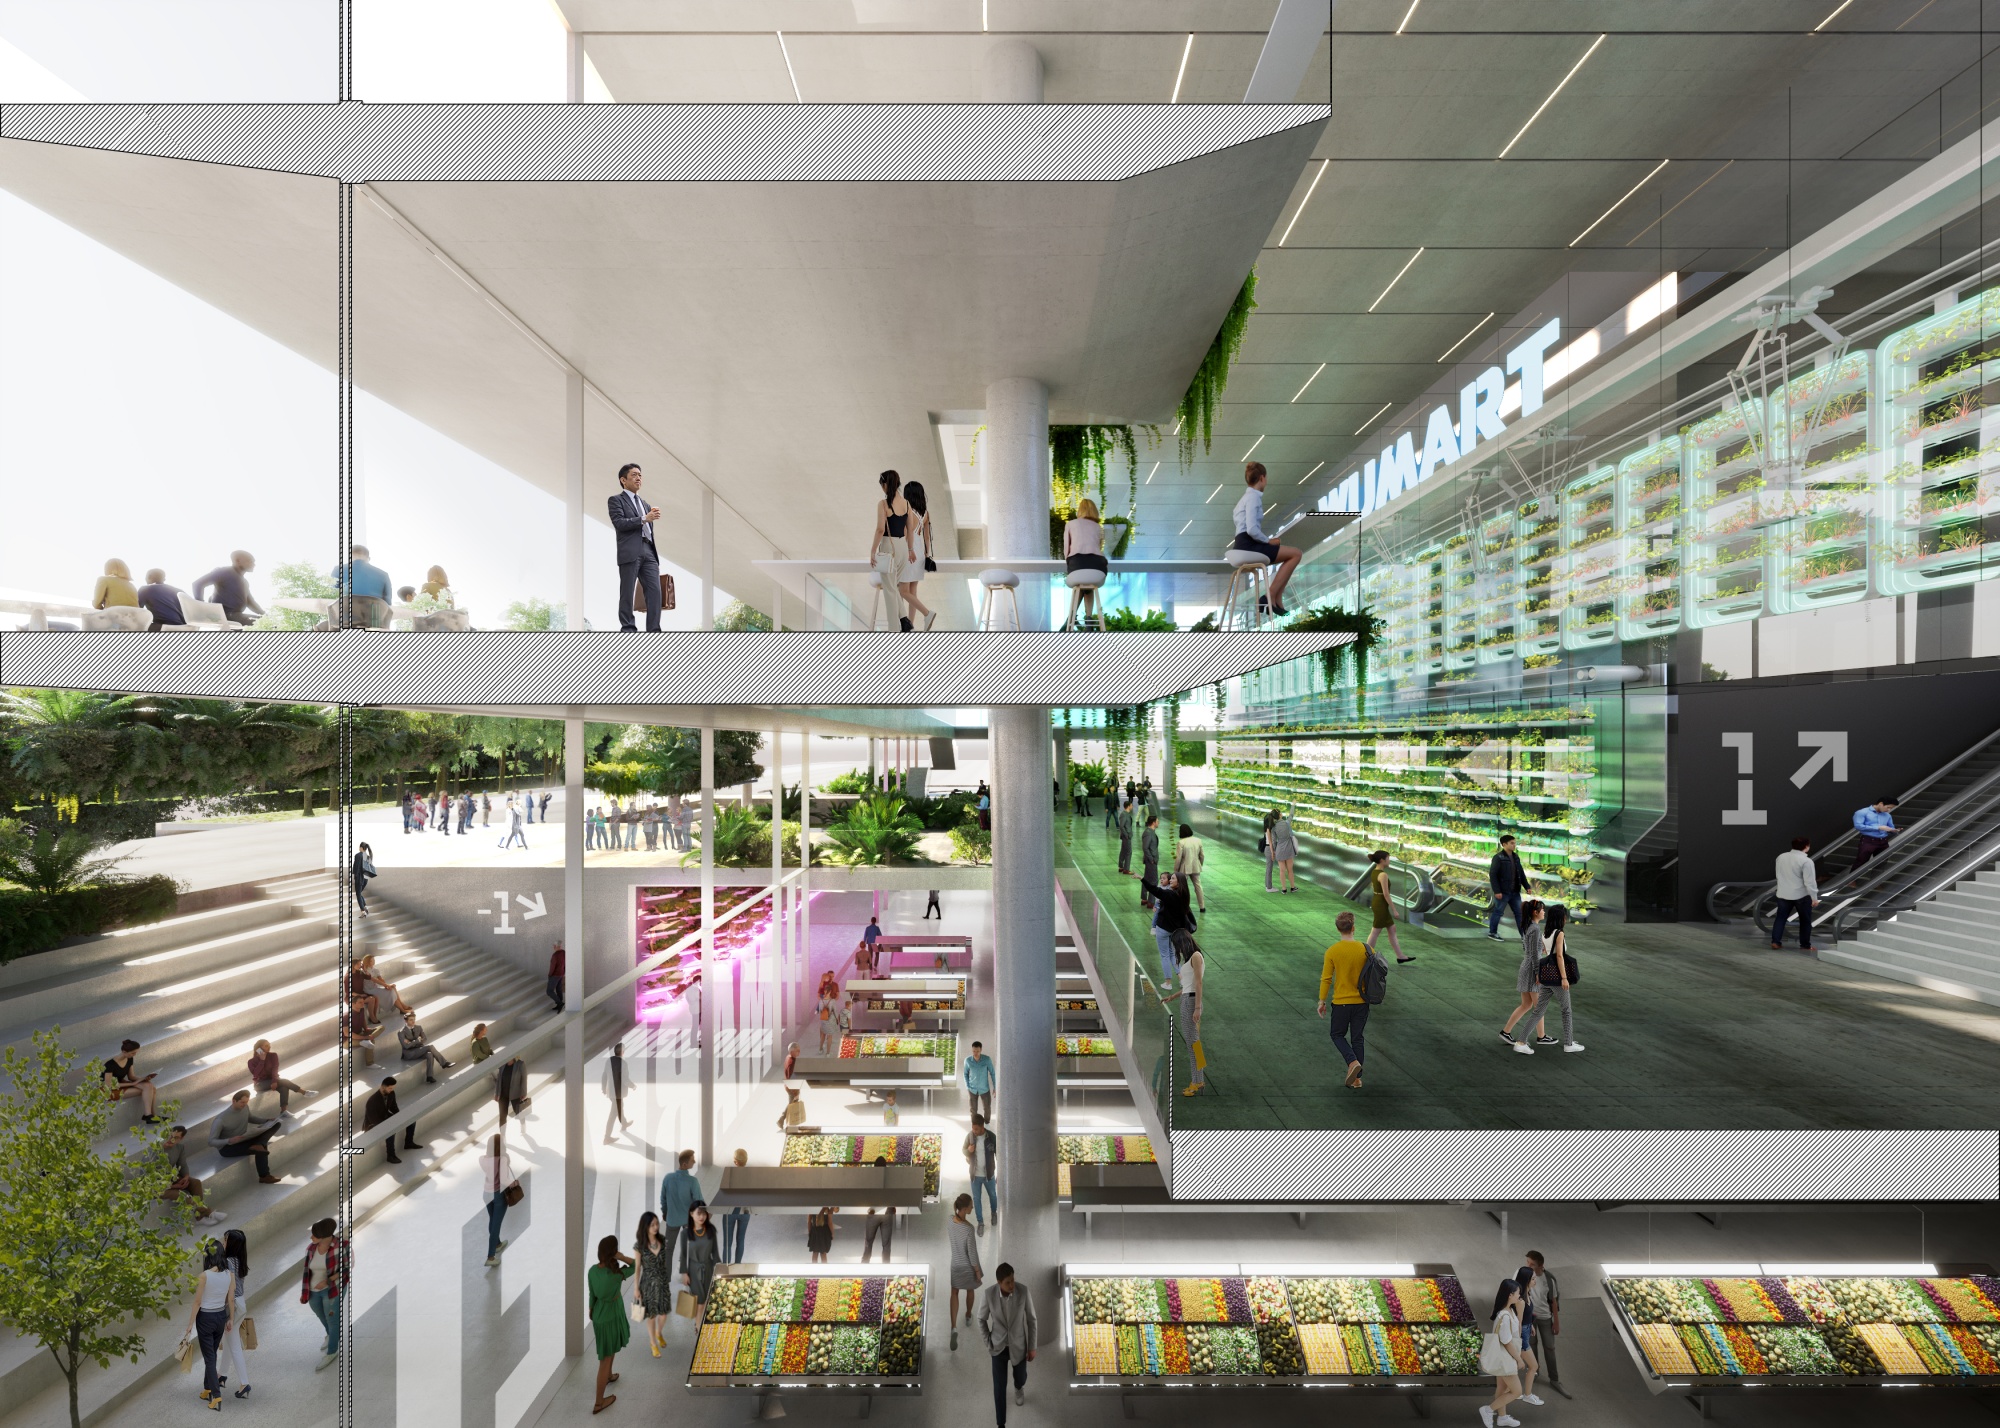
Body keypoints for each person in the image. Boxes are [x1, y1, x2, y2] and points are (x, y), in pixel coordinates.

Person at [1232, 461, 1304, 614]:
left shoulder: (1243, 499)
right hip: (1249, 545)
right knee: (1296, 553)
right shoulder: (1253, 498)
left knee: (1290, 554)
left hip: (1241, 544)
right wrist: (1268, 540)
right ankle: (1270, 595)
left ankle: (1276, 598)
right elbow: (1251, 529)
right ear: (1263, 478)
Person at [1316, 910, 1373, 1088]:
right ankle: (1357, 1079)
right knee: (1357, 1038)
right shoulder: (1366, 949)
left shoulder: (1332, 951)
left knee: (1337, 1034)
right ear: (1353, 928)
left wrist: (1321, 1001)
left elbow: (1326, 978)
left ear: (1338, 929)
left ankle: (1352, 1063)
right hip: (1362, 1003)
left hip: (1341, 1003)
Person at [979, 1262, 1038, 1428]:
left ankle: (1019, 1387)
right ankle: (1001, 1424)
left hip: (1018, 1345)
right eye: (1007, 1282)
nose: (1012, 1285)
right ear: (999, 1282)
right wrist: (988, 1342)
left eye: (1013, 1280)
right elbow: (981, 1319)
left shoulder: (1023, 1291)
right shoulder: (988, 1294)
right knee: (999, 1388)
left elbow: (1032, 1320)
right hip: (997, 1347)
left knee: (1021, 1377)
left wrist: (1032, 1346)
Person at [609, 461, 665, 632]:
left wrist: (649, 516)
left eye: (640, 475)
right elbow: (619, 523)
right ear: (623, 480)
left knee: (655, 592)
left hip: (649, 550)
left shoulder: (645, 504)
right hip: (630, 551)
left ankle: (654, 630)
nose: (638, 478)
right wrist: (644, 519)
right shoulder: (616, 500)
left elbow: (648, 525)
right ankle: (628, 629)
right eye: (634, 474)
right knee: (627, 591)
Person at [1524, 904, 1584, 1054]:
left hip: (1547, 977)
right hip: (1557, 978)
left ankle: (1521, 1040)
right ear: (1561, 918)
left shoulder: (1545, 933)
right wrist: (1564, 978)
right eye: (1564, 916)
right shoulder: (1560, 933)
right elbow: (1559, 956)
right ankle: (1569, 1044)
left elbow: (1546, 952)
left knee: (1538, 1011)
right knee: (1566, 1010)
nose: (1566, 918)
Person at [588, 1234, 638, 1413]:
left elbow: (592, 1295)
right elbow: (638, 1265)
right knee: (605, 1358)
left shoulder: (592, 1271)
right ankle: (599, 1402)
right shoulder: (617, 1274)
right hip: (612, 1315)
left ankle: (609, 1375)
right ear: (613, 1253)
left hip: (600, 1314)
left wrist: (591, 1310)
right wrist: (622, 1257)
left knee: (609, 1349)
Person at [868, 468, 919, 630]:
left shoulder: (883, 504)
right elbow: (910, 529)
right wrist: (911, 550)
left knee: (889, 592)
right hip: (903, 548)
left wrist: (872, 551)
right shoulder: (906, 504)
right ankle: (905, 621)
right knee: (892, 586)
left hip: (888, 548)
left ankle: (894, 630)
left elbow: (880, 530)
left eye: (881, 485)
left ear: (885, 485)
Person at [187, 1244, 237, 1409]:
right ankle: (207, 1388)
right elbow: (230, 1300)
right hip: (221, 1317)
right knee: (212, 1354)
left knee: (209, 1358)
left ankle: (216, 1395)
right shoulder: (230, 1274)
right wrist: (231, 1319)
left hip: (206, 1318)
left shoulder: (204, 1276)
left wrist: (189, 1326)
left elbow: (197, 1302)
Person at [1500, 901, 1554, 1051]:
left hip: (1526, 967)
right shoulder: (1535, 929)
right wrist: (1538, 972)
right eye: (1542, 910)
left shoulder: (1528, 927)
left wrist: (1539, 949)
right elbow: (1533, 955)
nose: (1544, 912)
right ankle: (1541, 1036)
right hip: (1531, 970)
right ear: (1535, 912)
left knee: (1526, 1005)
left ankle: (1506, 1032)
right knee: (1538, 1006)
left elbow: (1528, 949)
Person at [300, 1217, 348, 1372]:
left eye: (314, 1235)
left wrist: (328, 1281)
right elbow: (307, 1271)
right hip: (313, 1290)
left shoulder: (342, 1247)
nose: (311, 1238)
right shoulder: (311, 1248)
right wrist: (306, 1290)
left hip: (332, 1289)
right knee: (320, 1314)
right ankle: (330, 1335)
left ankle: (332, 1351)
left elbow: (346, 1270)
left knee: (333, 1319)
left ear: (324, 1236)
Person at [1480, 1279, 1528, 1428]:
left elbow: (1517, 1333)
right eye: (1518, 1293)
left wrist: (1520, 1311)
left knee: (1502, 1389)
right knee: (1517, 1391)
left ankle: (1502, 1418)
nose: (1520, 1295)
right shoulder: (1504, 1316)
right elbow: (1507, 1341)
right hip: (1507, 1356)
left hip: (1505, 1356)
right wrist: (1519, 1359)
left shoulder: (1510, 1311)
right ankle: (1488, 1410)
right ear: (1510, 1295)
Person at [1164, 930, 1206, 1096]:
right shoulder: (1192, 957)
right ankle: (1197, 1080)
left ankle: (1198, 1081)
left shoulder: (1195, 956)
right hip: (1188, 999)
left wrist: (1196, 1008)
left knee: (1193, 1044)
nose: (1177, 949)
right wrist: (1173, 997)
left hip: (1191, 1002)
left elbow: (1198, 983)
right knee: (1193, 1043)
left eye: (1177, 945)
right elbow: (1189, 984)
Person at [207, 1088, 282, 1183]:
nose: (245, 1104)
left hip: (244, 1138)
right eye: (242, 1102)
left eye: (246, 1102)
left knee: (276, 1124)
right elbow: (211, 1141)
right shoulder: (220, 1120)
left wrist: (266, 1121)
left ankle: (258, 1144)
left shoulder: (245, 1107)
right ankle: (264, 1176)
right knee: (262, 1147)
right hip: (227, 1148)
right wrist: (229, 1140)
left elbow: (250, 1118)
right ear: (234, 1101)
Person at [159, 1124, 224, 1227]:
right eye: (170, 1136)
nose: (171, 1139)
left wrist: (185, 1177)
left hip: (169, 1178)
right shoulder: (155, 1151)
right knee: (183, 1196)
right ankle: (209, 1212)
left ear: (181, 1139)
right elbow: (151, 1181)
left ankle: (200, 1217)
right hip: (156, 1186)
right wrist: (175, 1186)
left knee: (195, 1183)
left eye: (176, 1138)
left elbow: (182, 1164)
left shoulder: (179, 1148)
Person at [1140, 869, 1196, 987]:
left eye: (1173, 878)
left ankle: (1168, 982)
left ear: (1179, 882)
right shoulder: (1184, 895)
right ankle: (1182, 979)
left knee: (1165, 955)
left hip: (1163, 929)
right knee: (1172, 954)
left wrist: (1142, 879)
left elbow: (1154, 890)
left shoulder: (1170, 894)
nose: (1170, 880)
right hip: (1174, 930)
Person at [1062, 497, 1110, 629]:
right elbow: (1099, 547)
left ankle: (1070, 618)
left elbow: (1066, 549)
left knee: (1081, 582)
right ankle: (1089, 620)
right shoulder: (1098, 527)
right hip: (1098, 566)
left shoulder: (1070, 524)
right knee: (1088, 585)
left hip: (1077, 562)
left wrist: (1069, 564)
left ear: (1080, 510)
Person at [945, 1191, 984, 1351]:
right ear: (965, 1208)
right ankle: (968, 1315)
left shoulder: (949, 1221)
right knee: (970, 1290)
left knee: (954, 1292)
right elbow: (972, 1253)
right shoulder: (969, 1228)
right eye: (971, 1206)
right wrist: (977, 1271)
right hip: (967, 1266)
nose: (972, 1208)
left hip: (955, 1264)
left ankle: (953, 1327)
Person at [217, 1228, 252, 1400]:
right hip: (240, 1303)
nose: (223, 1243)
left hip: (232, 1306)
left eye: (225, 1240)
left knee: (234, 1345)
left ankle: (244, 1383)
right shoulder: (239, 1260)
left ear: (230, 1244)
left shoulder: (227, 1263)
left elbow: (227, 1290)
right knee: (230, 1341)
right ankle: (221, 1376)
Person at [1520, 1250, 1562, 1394]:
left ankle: (1554, 1379)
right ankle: (1535, 1371)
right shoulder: (1523, 1275)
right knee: (1531, 1345)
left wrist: (1556, 1322)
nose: (1528, 1266)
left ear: (1540, 1266)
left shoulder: (1549, 1280)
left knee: (1549, 1347)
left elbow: (1554, 1301)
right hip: (1529, 1317)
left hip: (1545, 1317)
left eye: (1532, 1264)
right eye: (1528, 1263)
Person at [899, 478, 938, 629]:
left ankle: (927, 613)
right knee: (912, 592)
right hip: (920, 554)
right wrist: (927, 556)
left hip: (909, 553)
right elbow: (927, 537)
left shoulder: (906, 511)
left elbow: (903, 535)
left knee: (903, 591)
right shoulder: (926, 513)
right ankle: (910, 625)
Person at [634, 1210, 673, 1356]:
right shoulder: (639, 1246)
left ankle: (658, 1332)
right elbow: (638, 1268)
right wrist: (636, 1288)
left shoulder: (662, 1240)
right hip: (648, 1284)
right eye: (652, 1225)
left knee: (663, 1315)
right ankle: (653, 1343)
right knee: (651, 1316)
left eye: (657, 1224)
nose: (656, 1227)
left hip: (662, 1282)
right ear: (645, 1227)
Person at [1366, 849, 1415, 964]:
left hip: (1377, 901)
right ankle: (1367, 955)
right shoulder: (1383, 875)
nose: (1389, 860)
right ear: (1382, 860)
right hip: (1381, 903)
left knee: (1391, 929)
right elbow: (1386, 894)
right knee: (1376, 930)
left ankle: (1400, 956)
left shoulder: (1374, 872)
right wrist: (1394, 910)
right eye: (1388, 858)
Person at [1772, 834, 1820, 951]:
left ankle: (1776, 942)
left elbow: (1779, 875)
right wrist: (1814, 898)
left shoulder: (1781, 857)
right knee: (1805, 921)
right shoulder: (1806, 861)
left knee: (1780, 918)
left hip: (1783, 893)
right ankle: (1805, 945)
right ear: (1806, 846)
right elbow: (1810, 882)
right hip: (1801, 895)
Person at [192, 550, 263, 624]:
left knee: (266, 621)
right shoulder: (225, 572)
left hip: (236, 616)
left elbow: (250, 603)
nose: (253, 564)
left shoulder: (244, 582)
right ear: (237, 561)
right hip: (223, 615)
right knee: (264, 623)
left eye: (253, 562)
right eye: (250, 561)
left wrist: (265, 615)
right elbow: (197, 584)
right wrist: (200, 606)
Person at [331, 543, 393, 627]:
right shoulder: (384, 575)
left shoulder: (338, 570)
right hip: (375, 623)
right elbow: (387, 604)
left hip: (345, 621)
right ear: (368, 559)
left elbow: (331, 597)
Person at [659, 1148, 701, 1270]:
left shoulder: (668, 1178)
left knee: (668, 1249)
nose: (694, 1162)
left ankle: (666, 1278)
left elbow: (663, 1199)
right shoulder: (693, 1181)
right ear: (684, 1164)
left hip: (672, 1220)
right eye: (692, 1160)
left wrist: (665, 1213)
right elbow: (698, 1202)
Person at [363, 1075, 421, 1163]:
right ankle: (390, 1155)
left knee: (411, 1120)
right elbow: (373, 1120)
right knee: (390, 1130)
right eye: (390, 1088)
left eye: (393, 1088)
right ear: (383, 1087)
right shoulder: (372, 1101)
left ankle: (408, 1143)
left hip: (386, 1117)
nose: (392, 1090)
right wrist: (389, 1124)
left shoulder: (391, 1093)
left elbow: (394, 1107)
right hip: (373, 1125)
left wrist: (400, 1118)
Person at [679, 1201, 720, 1323]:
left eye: (704, 1214)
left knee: (709, 1299)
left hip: (708, 1268)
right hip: (693, 1271)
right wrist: (684, 1273)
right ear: (691, 1214)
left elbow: (715, 1253)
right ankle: (698, 1326)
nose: (701, 1217)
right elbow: (683, 1255)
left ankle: (703, 1326)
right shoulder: (685, 1233)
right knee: (700, 1301)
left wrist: (720, 1271)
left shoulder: (711, 1231)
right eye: (698, 1214)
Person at [1487, 834, 1533, 938]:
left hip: (1515, 892)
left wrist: (1527, 886)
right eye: (1512, 843)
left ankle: (1524, 935)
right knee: (1498, 912)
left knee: (1519, 913)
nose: (1514, 845)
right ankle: (1492, 932)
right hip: (1503, 892)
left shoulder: (1516, 857)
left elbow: (1520, 873)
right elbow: (1493, 875)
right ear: (1504, 844)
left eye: (1514, 843)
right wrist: (1497, 891)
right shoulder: (1498, 858)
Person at [248, 1039, 311, 1115]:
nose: (269, 1047)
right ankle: (303, 1092)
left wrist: (274, 1081)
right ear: (259, 1048)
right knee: (284, 1081)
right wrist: (262, 1060)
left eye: (269, 1045)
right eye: (266, 1046)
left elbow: (275, 1069)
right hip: (260, 1084)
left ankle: (284, 1111)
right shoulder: (251, 1062)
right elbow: (256, 1074)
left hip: (274, 1080)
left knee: (284, 1087)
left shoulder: (273, 1055)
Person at [102, 1038, 160, 1123]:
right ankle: (149, 1116)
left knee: (149, 1086)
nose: (134, 1055)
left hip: (121, 1083)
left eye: (136, 1052)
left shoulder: (129, 1059)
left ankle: (151, 1115)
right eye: (133, 1053)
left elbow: (131, 1076)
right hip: (107, 1090)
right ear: (124, 1052)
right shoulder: (109, 1065)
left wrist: (143, 1078)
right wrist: (133, 1083)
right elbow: (109, 1085)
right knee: (149, 1090)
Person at [964, 1112, 998, 1235]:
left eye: (976, 1129)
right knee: (976, 1200)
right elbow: (963, 1150)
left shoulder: (992, 1137)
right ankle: (980, 1223)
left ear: (982, 1127)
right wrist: (968, 1150)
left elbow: (999, 1155)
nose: (974, 1131)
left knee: (993, 1196)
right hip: (975, 1176)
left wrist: (999, 1174)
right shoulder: (970, 1136)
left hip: (989, 1175)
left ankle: (994, 1213)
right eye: (973, 1128)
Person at [399, 1009, 455, 1082]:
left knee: (429, 1054)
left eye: (414, 1019)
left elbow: (425, 1039)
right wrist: (417, 1041)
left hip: (419, 1049)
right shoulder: (401, 1032)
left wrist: (411, 1042)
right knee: (430, 1047)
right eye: (411, 1020)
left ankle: (429, 1076)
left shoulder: (418, 1027)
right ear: (406, 1021)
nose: (413, 1021)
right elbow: (406, 1046)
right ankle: (444, 1063)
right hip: (409, 1053)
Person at [861, 1155, 898, 1262]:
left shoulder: (871, 1177)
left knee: (868, 1242)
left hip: (873, 1212)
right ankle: (886, 1266)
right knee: (886, 1244)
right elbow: (893, 1194)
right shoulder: (890, 1177)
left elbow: (866, 1193)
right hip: (887, 1213)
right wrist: (893, 1207)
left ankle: (864, 1264)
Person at [1851, 796, 1900, 871]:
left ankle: (1876, 881)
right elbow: (1858, 826)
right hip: (1868, 841)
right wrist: (1878, 827)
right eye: (1888, 807)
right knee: (1861, 861)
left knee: (1882, 863)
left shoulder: (1887, 815)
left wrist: (1894, 830)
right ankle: (1851, 881)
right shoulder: (1862, 812)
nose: (1889, 810)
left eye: (1891, 808)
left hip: (1883, 841)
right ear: (1881, 804)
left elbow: (1891, 827)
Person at [721, 1149, 751, 1263]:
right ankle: (738, 1266)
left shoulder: (728, 1174)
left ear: (735, 1161)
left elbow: (723, 1193)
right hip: (745, 1212)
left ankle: (726, 1270)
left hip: (730, 1211)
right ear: (746, 1160)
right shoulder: (751, 1176)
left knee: (727, 1244)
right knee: (741, 1240)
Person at [1172, 823, 1206, 912]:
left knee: (1182, 887)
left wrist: (1175, 870)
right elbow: (1202, 855)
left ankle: (1183, 905)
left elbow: (1178, 858)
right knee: (1198, 886)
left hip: (1184, 868)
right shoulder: (1198, 840)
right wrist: (1200, 864)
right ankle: (1202, 906)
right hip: (1196, 867)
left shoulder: (1181, 842)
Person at [602, 1042, 631, 1138]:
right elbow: (625, 1079)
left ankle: (624, 1123)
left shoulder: (609, 1061)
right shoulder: (623, 1063)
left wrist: (603, 1088)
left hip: (610, 1091)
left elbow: (604, 1075)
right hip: (618, 1093)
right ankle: (607, 1137)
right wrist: (633, 1086)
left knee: (619, 1107)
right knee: (613, 1114)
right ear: (623, 1052)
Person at [341, 993, 380, 1066]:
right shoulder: (346, 1016)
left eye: (363, 1002)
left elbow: (363, 1020)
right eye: (360, 1002)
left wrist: (366, 1029)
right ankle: (370, 1064)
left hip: (360, 1034)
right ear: (353, 1004)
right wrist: (365, 1037)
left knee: (381, 1028)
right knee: (371, 1041)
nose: (363, 1004)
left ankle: (365, 1040)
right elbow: (347, 1033)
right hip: (347, 1040)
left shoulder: (361, 1010)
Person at [963, 1040, 995, 1123]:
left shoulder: (987, 1059)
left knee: (987, 1108)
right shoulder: (967, 1060)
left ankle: (987, 1124)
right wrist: (967, 1086)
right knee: (973, 1110)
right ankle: (975, 1125)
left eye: (977, 1051)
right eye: (974, 1051)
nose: (975, 1053)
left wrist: (995, 1087)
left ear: (981, 1050)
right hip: (972, 1089)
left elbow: (992, 1073)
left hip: (984, 1089)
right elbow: (965, 1074)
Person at [494, 1054, 531, 1124]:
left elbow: (524, 1079)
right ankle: (503, 1134)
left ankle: (523, 1127)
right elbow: (498, 1080)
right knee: (502, 1116)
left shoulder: (520, 1064)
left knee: (519, 1113)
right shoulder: (502, 1065)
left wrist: (524, 1093)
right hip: (503, 1095)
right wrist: (496, 1093)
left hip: (515, 1094)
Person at [1270, 810, 1298, 893]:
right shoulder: (1286, 823)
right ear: (1280, 815)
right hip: (1289, 848)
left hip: (1280, 850)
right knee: (1290, 870)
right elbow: (1291, 815)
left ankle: (1283, 889)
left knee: (1282, 870)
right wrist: (1293, 805)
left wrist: (1274, 851)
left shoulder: (1274, 828)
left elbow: (1274, 841)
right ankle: (1292, 887)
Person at [1139, 814, 1161, 908]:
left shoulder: (1151, 832)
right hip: (1151, 860)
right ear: (1153, 822)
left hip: (1150, 860)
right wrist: (1151, 859)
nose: (1158, 822)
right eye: (1157, 821)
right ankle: (1151, 901)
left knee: (1147, 879)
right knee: (1154, 881)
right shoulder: (1148, 833)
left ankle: (1144, 898)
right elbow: (1145, 848)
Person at [350, 841, 376, 916]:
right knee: (359, 893)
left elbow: (356, 868)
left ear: (361, 848)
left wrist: (355, 877)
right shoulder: (368, 857)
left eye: (359, 847)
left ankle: (363, 912)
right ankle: (365, 907)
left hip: (359, 878)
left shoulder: (358, 855)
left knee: (358, 895)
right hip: (365, 879)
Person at [1115, 795, 1134, 875]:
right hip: (1126, 836)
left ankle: (1121, 866)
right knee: (1128, 852)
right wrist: (1126, 835)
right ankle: (1126, 869)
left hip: (1126, 836)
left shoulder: (1126, 814)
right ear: (1128, 806)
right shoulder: (1124, 814)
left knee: (1123, 851)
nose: (1132, 806)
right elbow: (1122, 826)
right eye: (1131, 805)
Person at [547, 941, 566, 1013]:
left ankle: (560, 1003)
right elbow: (565, 963)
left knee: (549, 991)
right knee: (559, 989)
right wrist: (564, 972)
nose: (553, 947)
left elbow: (552, 967)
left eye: (554, 945)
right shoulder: (564, 952)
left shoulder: (555, 955)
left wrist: (549, 975)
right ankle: (559, 1005)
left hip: (555, 975)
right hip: (561, 974)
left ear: (557, 946)